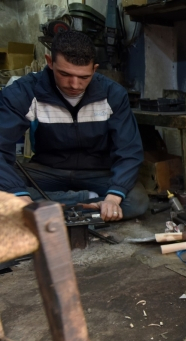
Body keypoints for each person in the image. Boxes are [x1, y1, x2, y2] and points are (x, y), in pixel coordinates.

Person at [0, 30, 148, 221]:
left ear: (94, 69)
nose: (75, 85)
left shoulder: (113, 94)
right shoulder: (24, 92)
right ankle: (87, 201)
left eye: (84, 77)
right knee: (8, 188)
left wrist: (112, 198)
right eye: (64, 74)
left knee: (136, 201)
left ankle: (49, 209)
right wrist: (21, 197)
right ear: (50, 62)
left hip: (97, 172)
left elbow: (129, 151)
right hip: (47, 170)